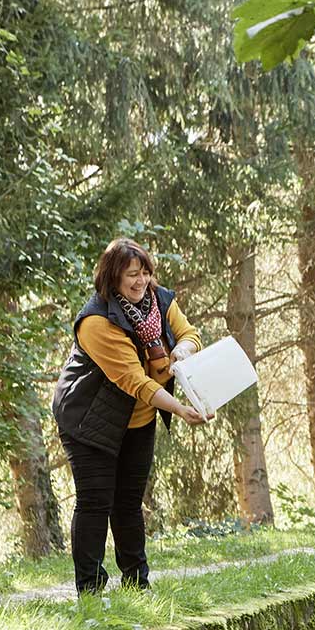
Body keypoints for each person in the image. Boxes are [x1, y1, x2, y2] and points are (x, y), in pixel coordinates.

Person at [51, 238, 213, 596]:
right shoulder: (96, 321)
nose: (140, 282)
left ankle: (136, 586)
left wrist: (182, 352)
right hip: (88, 419)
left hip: (138, 418)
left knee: (128, 503)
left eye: (144, 273)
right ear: (112, 279)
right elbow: (134, 380)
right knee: (96, 501)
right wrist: (181, 410)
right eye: (131, 276)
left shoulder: (159, 300)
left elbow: (189, 334)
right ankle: (90, 593)